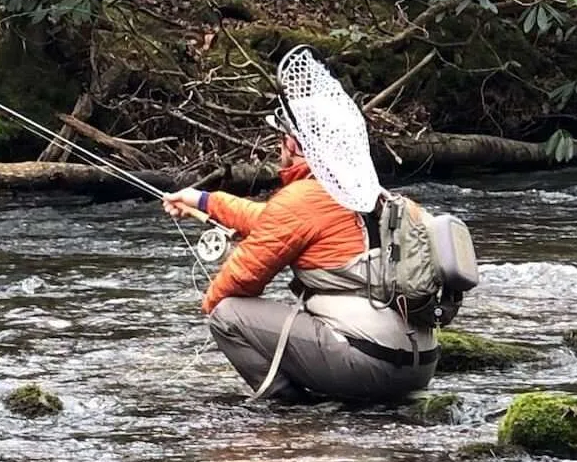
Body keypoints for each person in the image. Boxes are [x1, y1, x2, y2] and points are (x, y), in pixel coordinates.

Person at [161, 113, 438, 404]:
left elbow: (239, 280)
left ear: (292, 143)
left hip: (369, 367)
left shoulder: (304, 199)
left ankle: (292, 412)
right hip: (420, 366)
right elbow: (271, 221)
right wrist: (204, 201)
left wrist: (205, 306)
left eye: (280, 142)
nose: (279, 151)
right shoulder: (377, 195)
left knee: (227, 315)